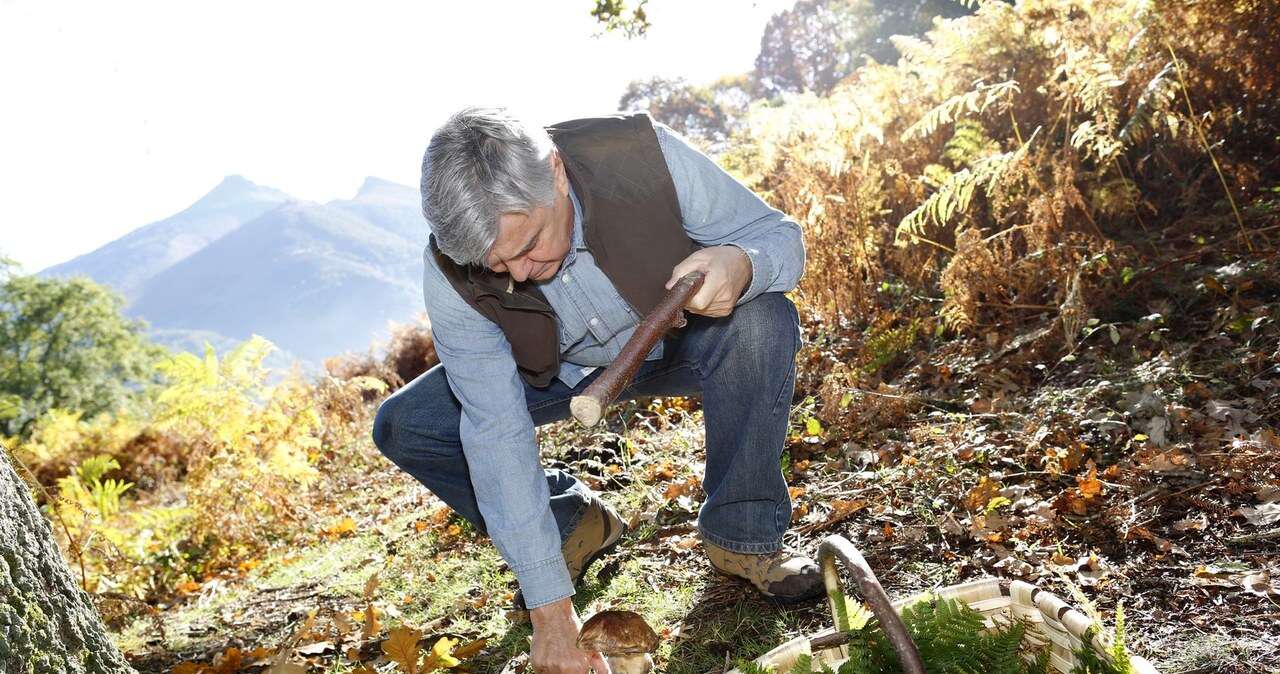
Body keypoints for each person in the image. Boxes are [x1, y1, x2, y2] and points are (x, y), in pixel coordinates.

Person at [372, 106, 819, 674]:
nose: (518, 274)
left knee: (763, 321)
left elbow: (777, 237)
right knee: (407, 425)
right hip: (558, 376)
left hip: (688, 340)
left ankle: (742, 534)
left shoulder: (638, 155)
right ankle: (573, 525)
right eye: (495, 264)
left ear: (556, 173)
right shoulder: (450, 273)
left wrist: (742, 265)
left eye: (529, 242)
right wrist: (551, 614)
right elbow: (495, 432)